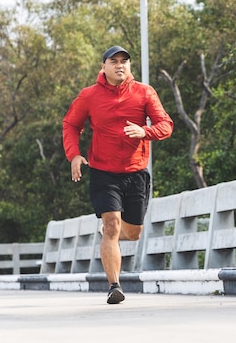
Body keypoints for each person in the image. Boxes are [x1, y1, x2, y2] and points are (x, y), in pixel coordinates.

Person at [62, 45, 173, 304]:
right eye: (114, 61)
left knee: (132, 233)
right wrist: (74, 155)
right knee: (112, 224)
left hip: (135, 173)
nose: (120, 65)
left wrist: (145, 131)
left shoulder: (144, 92)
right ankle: (115, 286)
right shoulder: (89, 96)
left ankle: (109, 237)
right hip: (103, 173)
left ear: (130, 66)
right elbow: (71, 124)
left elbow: (166, 124)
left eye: (125, 61)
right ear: (104, 67)